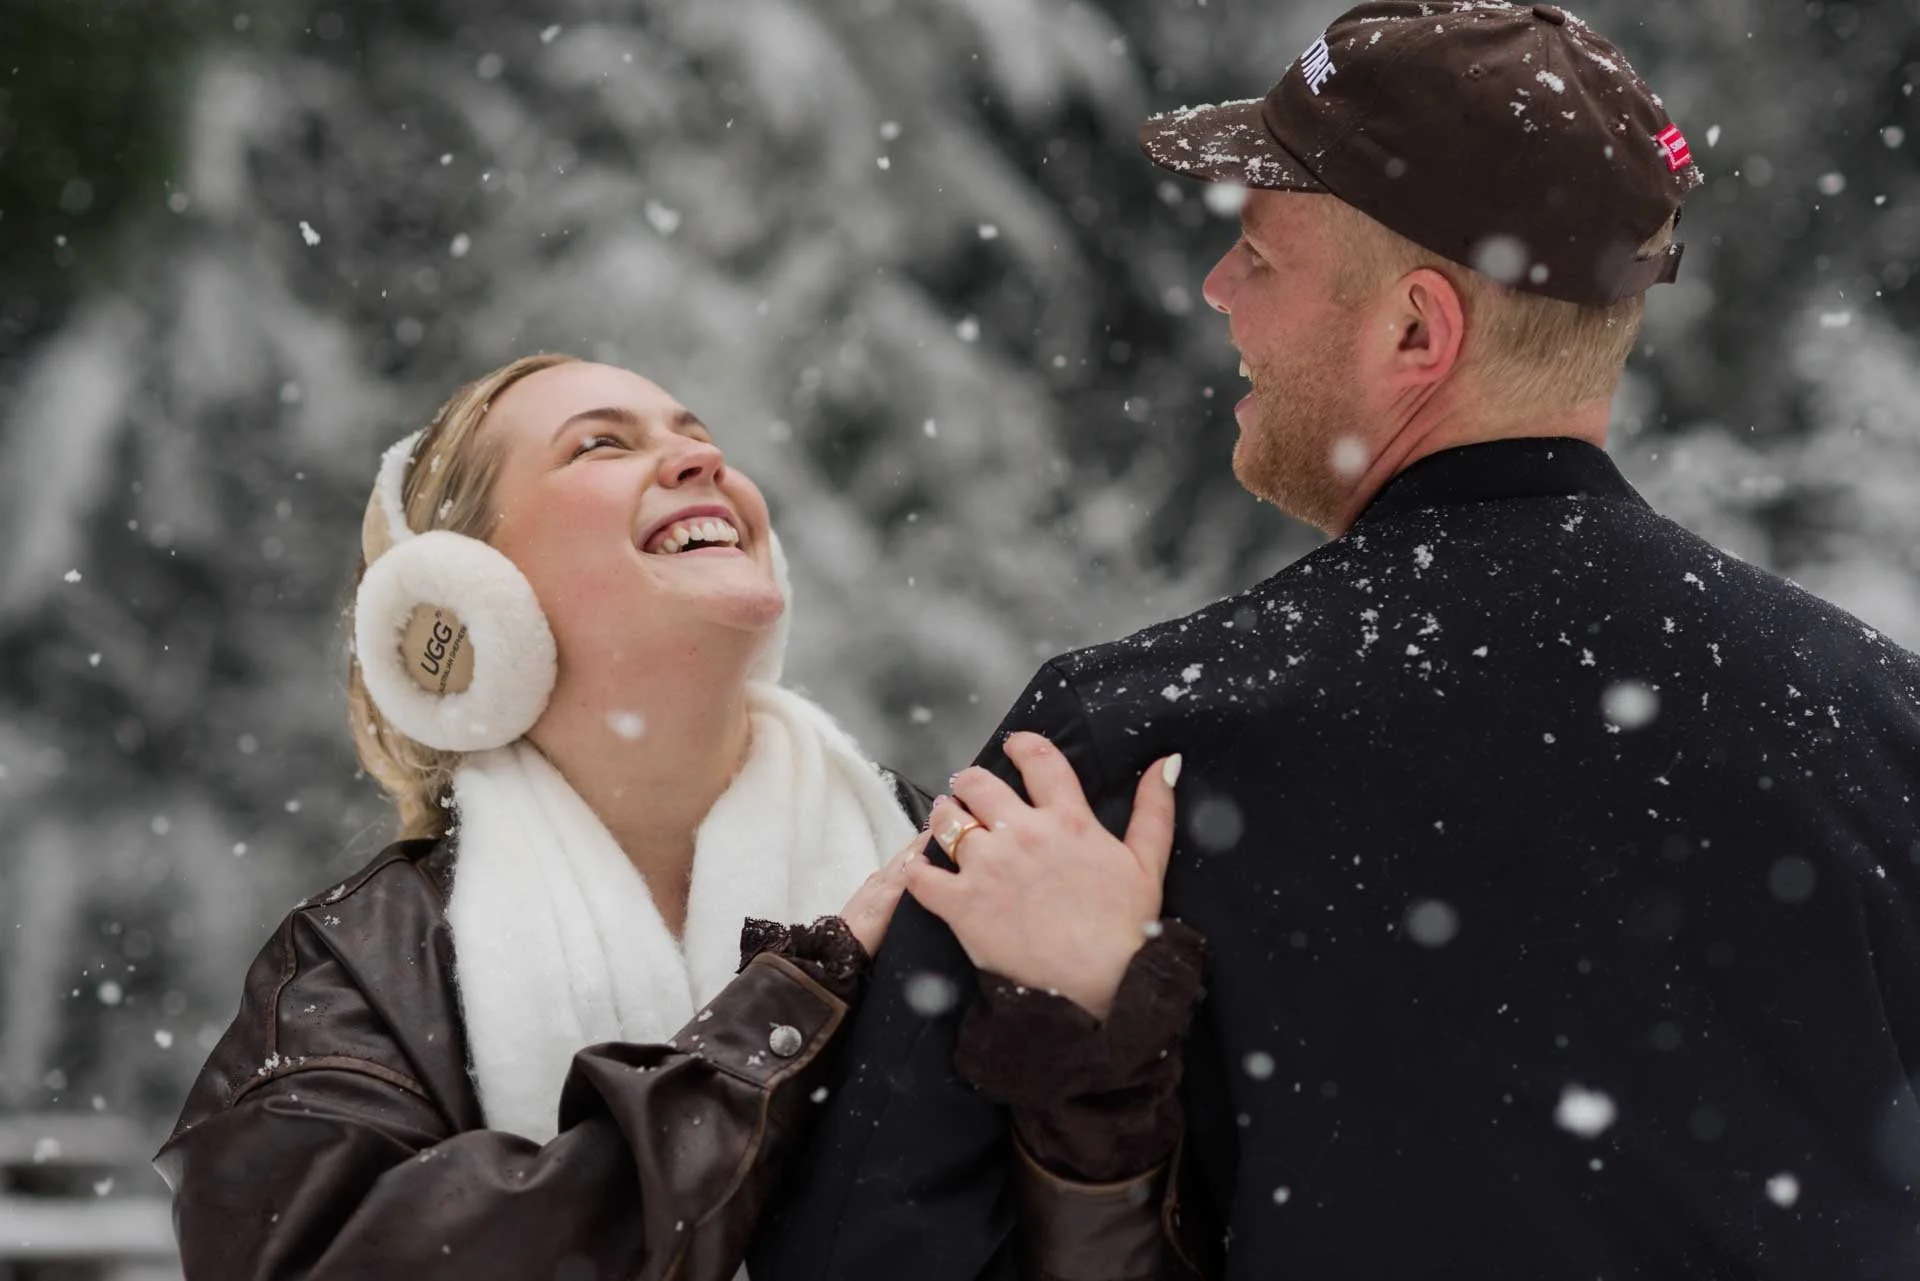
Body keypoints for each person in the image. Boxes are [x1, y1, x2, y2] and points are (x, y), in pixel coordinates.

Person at [750, 4, 1920, 1279]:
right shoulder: (1879, 726)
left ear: (1418, 329)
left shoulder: (1132, 750)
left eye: (1258, 252)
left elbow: (862, 1246)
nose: (1216, 289)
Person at [153, 353, 1207, 1280]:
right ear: (468, 593)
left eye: (700, 437)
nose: (701, 461)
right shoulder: (359, 974)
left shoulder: (974, 879)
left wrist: (1090, 1044)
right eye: (599, 445)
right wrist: (782, 1020)